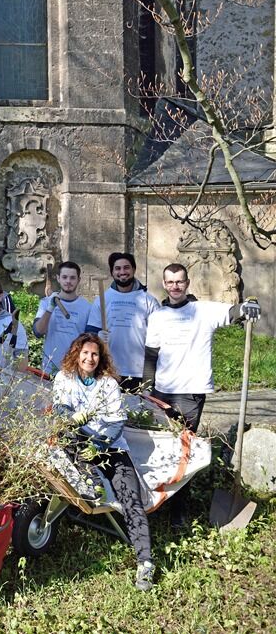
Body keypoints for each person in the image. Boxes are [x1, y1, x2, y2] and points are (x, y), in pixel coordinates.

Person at [143, 263, 261, 526]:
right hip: (162, 393)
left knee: (184, 450)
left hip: (190, 394)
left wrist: (248, 306)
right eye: (170, 282)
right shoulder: (158, 317)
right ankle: (159, 503)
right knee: (161, 450)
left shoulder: (203, 311)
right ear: (164, 284)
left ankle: (179, 512)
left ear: (187, 283)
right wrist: (147, 391)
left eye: (179, 281)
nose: (175, 286)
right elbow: (151, 356)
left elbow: (232, 312)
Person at [53, 333, 155, 590]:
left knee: (130, 498)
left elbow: (117, 422)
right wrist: (73, 420)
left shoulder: (108, 383)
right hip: (78, 441)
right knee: (69, 448)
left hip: (110, 446)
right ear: (76, 354)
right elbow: (60, 409)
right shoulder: (64, 378)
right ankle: (92, 482)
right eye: (85, 353)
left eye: (95, 354)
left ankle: (145, 562)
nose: (90, 358)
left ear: (101, 358)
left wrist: (99, 444)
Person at [85, 252, 160, 391]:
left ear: (134, 269)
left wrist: (150, 377)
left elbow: (159, 338)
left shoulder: (149, 301)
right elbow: (89, 336)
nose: (122, 272)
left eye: (126, 267)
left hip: (140, 372)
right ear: (112, 272)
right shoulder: (103, 299)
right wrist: (97, 337)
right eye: (117, 268)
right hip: (108, 370)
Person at [34, 261, 94, 375]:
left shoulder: (87, 308)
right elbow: (38, 332)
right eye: (65, 277)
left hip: (76, 370)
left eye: (72, 278)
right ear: (58, 278)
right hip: (49, 369)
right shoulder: (46, 303)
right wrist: (50, 309)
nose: (68, 281)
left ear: (79, 280)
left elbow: (90, 341)